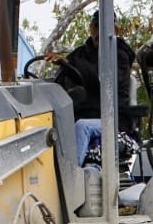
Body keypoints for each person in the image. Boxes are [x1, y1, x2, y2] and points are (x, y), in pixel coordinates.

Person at [55, 13, 137, 166]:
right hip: (84, 113)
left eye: (104, 28)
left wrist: (68, 65)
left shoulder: (120, 55)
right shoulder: (80, 54)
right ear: (91, 29)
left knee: (82, 127)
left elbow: (103, 81)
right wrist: (62, 67)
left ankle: (73, 175)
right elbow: (66, 75)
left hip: (112, 119)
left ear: (116, 31)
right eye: (96, 27)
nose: (99, 32)